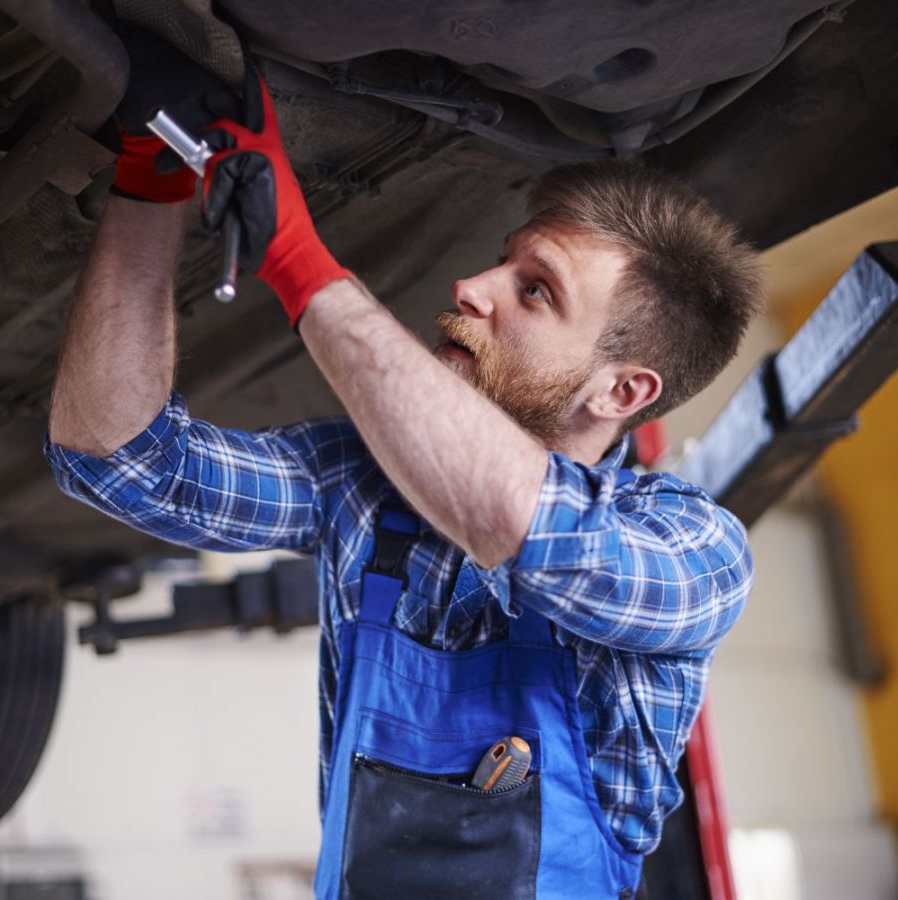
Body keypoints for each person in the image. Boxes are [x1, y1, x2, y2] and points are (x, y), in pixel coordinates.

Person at [45, 33, 762, 900]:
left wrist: (299, 261)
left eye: (535, 290)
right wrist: (154, 178)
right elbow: (118, 461)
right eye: (504, 259)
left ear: (621, 392)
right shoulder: (363, 485)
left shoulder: (694, 548)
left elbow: (527, 527)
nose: (472, 287)